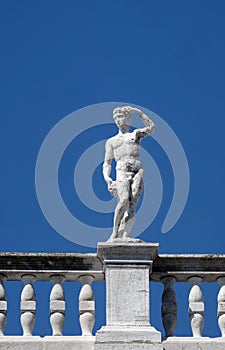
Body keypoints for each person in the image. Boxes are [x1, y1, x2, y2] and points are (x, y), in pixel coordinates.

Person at [103, 105, 156, 241]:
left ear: (128, 118)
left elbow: (151, 128)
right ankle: (115, 233)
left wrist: (138, 112)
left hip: (137, 170)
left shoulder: (135, 134)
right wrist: (107, 178)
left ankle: (126, 234)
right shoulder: (111, 141)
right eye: (116, 118)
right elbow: (107, 163)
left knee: (132, 203)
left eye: (120, 117)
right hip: (122, 170)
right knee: (124, 199)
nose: (118, 120)